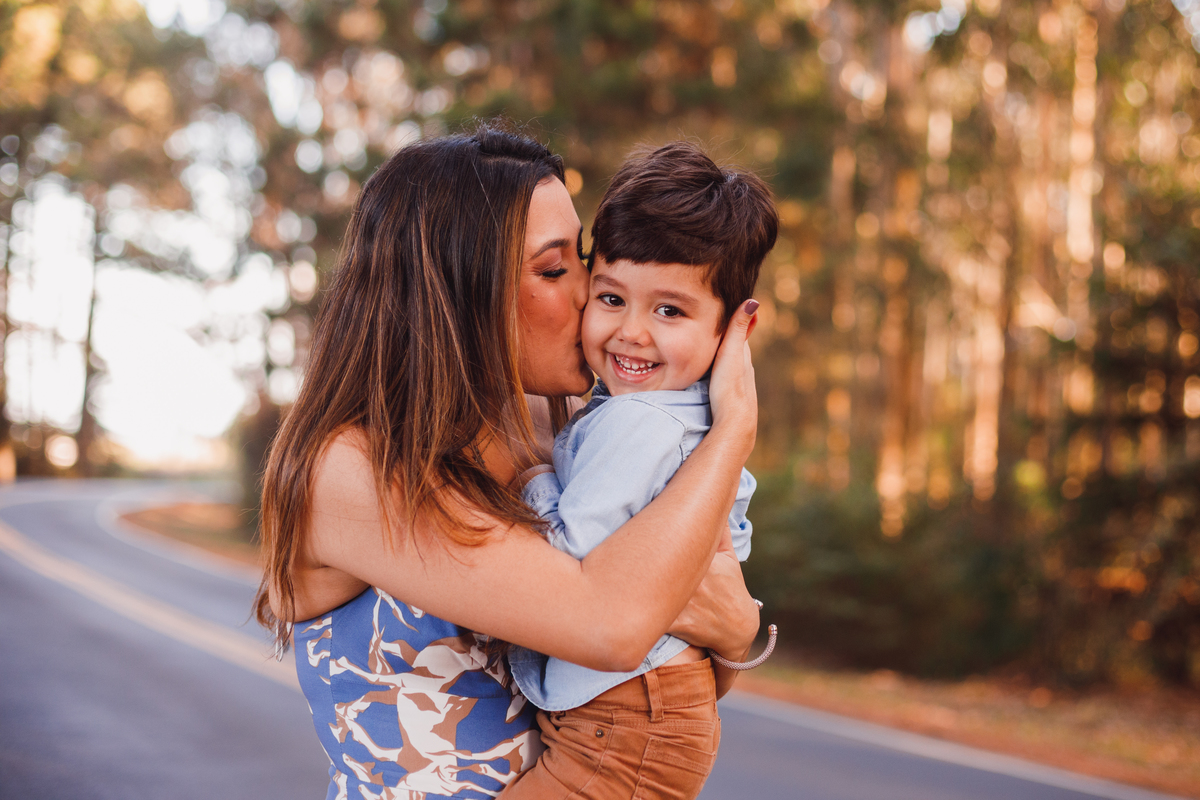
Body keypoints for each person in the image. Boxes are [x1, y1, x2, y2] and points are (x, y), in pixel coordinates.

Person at [253, 124, 762, 800]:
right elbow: (608, 626)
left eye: (582, 260)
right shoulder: (351, 470)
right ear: (458, 293)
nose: (590, 292)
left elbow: (668, 668)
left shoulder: (560, 430)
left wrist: (743, 631)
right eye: (554, 270)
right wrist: (733, 430)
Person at [501, 142, 778, 800]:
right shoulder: (678, 417)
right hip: (641, 711)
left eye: (669, 311)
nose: (631, 332)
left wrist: (527, 471)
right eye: (611, 297)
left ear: (735, 328)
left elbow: (568, 560)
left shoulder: (643, 423)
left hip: (625, 721)